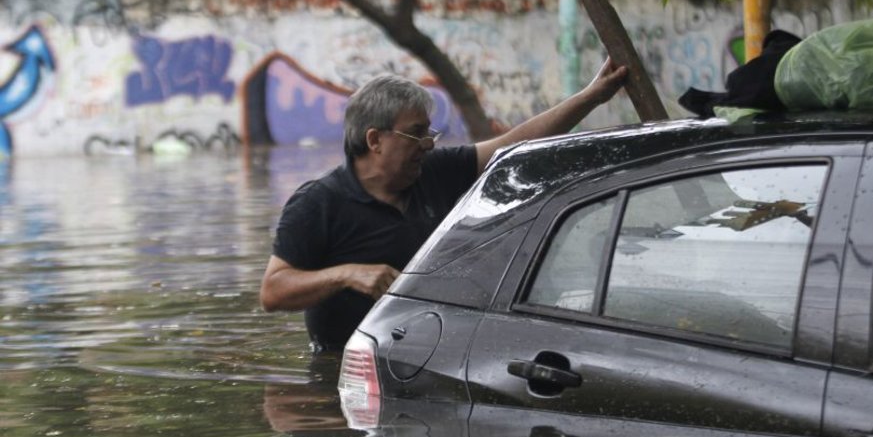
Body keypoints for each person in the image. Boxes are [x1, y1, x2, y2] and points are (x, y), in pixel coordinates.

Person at [259, 58, 628, 353]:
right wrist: (347, 274)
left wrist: (592, 96)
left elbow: (515, 146)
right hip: (347, 366)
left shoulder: (433, 173)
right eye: (416, 133)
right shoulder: (318, 203)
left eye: (429, 132)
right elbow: (273, 292)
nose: (429, 144)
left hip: (428, 358)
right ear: (375, 140)